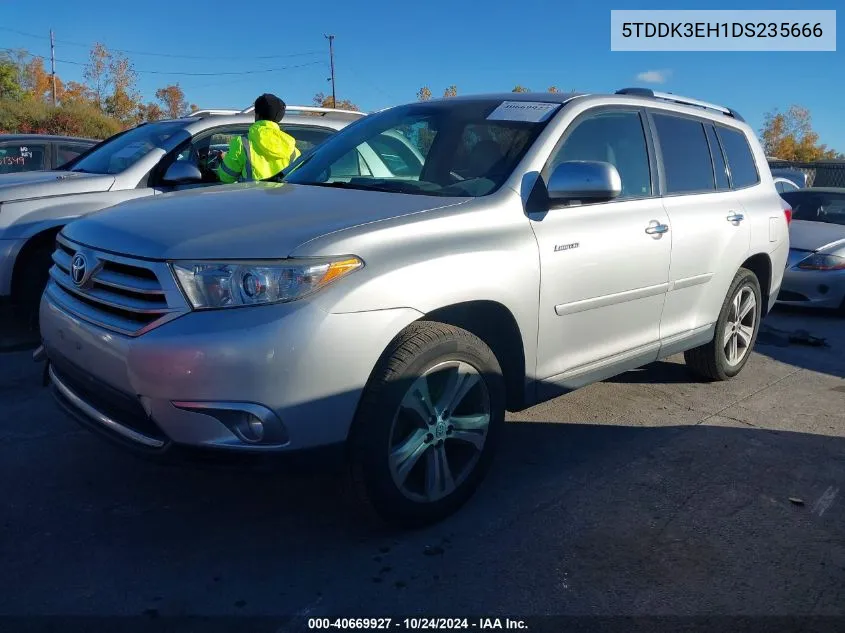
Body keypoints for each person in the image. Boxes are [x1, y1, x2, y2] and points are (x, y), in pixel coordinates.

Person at [216, 93, 301, 183]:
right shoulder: (293, 150)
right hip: (284, 197)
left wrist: (224, 160)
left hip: (252, 196)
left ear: (257, 115)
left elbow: (226, 178)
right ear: (279, 118)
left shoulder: (242, 143)